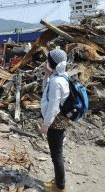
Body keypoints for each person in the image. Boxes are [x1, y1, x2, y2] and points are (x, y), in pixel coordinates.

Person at [40, 49, 70, 192]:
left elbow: (53, 105)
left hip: (55, 122)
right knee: (57, 153)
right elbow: (46, 93)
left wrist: (46, 125)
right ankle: (59, 181)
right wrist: (46, 75)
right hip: (60, 120)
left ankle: (60, 186)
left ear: (52, 62)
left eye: (48, 60)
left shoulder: (56, 81)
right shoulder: (61, 76)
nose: (46, 62)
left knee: (56, 155)